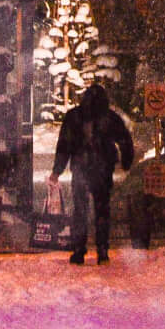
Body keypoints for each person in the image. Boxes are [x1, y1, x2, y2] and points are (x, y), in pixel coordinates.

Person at [50, 82, 134, 265]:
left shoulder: (74, 117)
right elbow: (125, 140)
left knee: (80, 210)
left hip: (81, 167)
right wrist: (126, 161)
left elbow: (64, 145)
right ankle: (102, 250)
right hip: (102, 169)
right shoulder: (109, 117)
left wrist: (57, 170)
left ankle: (79, 249)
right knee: (102, 209)